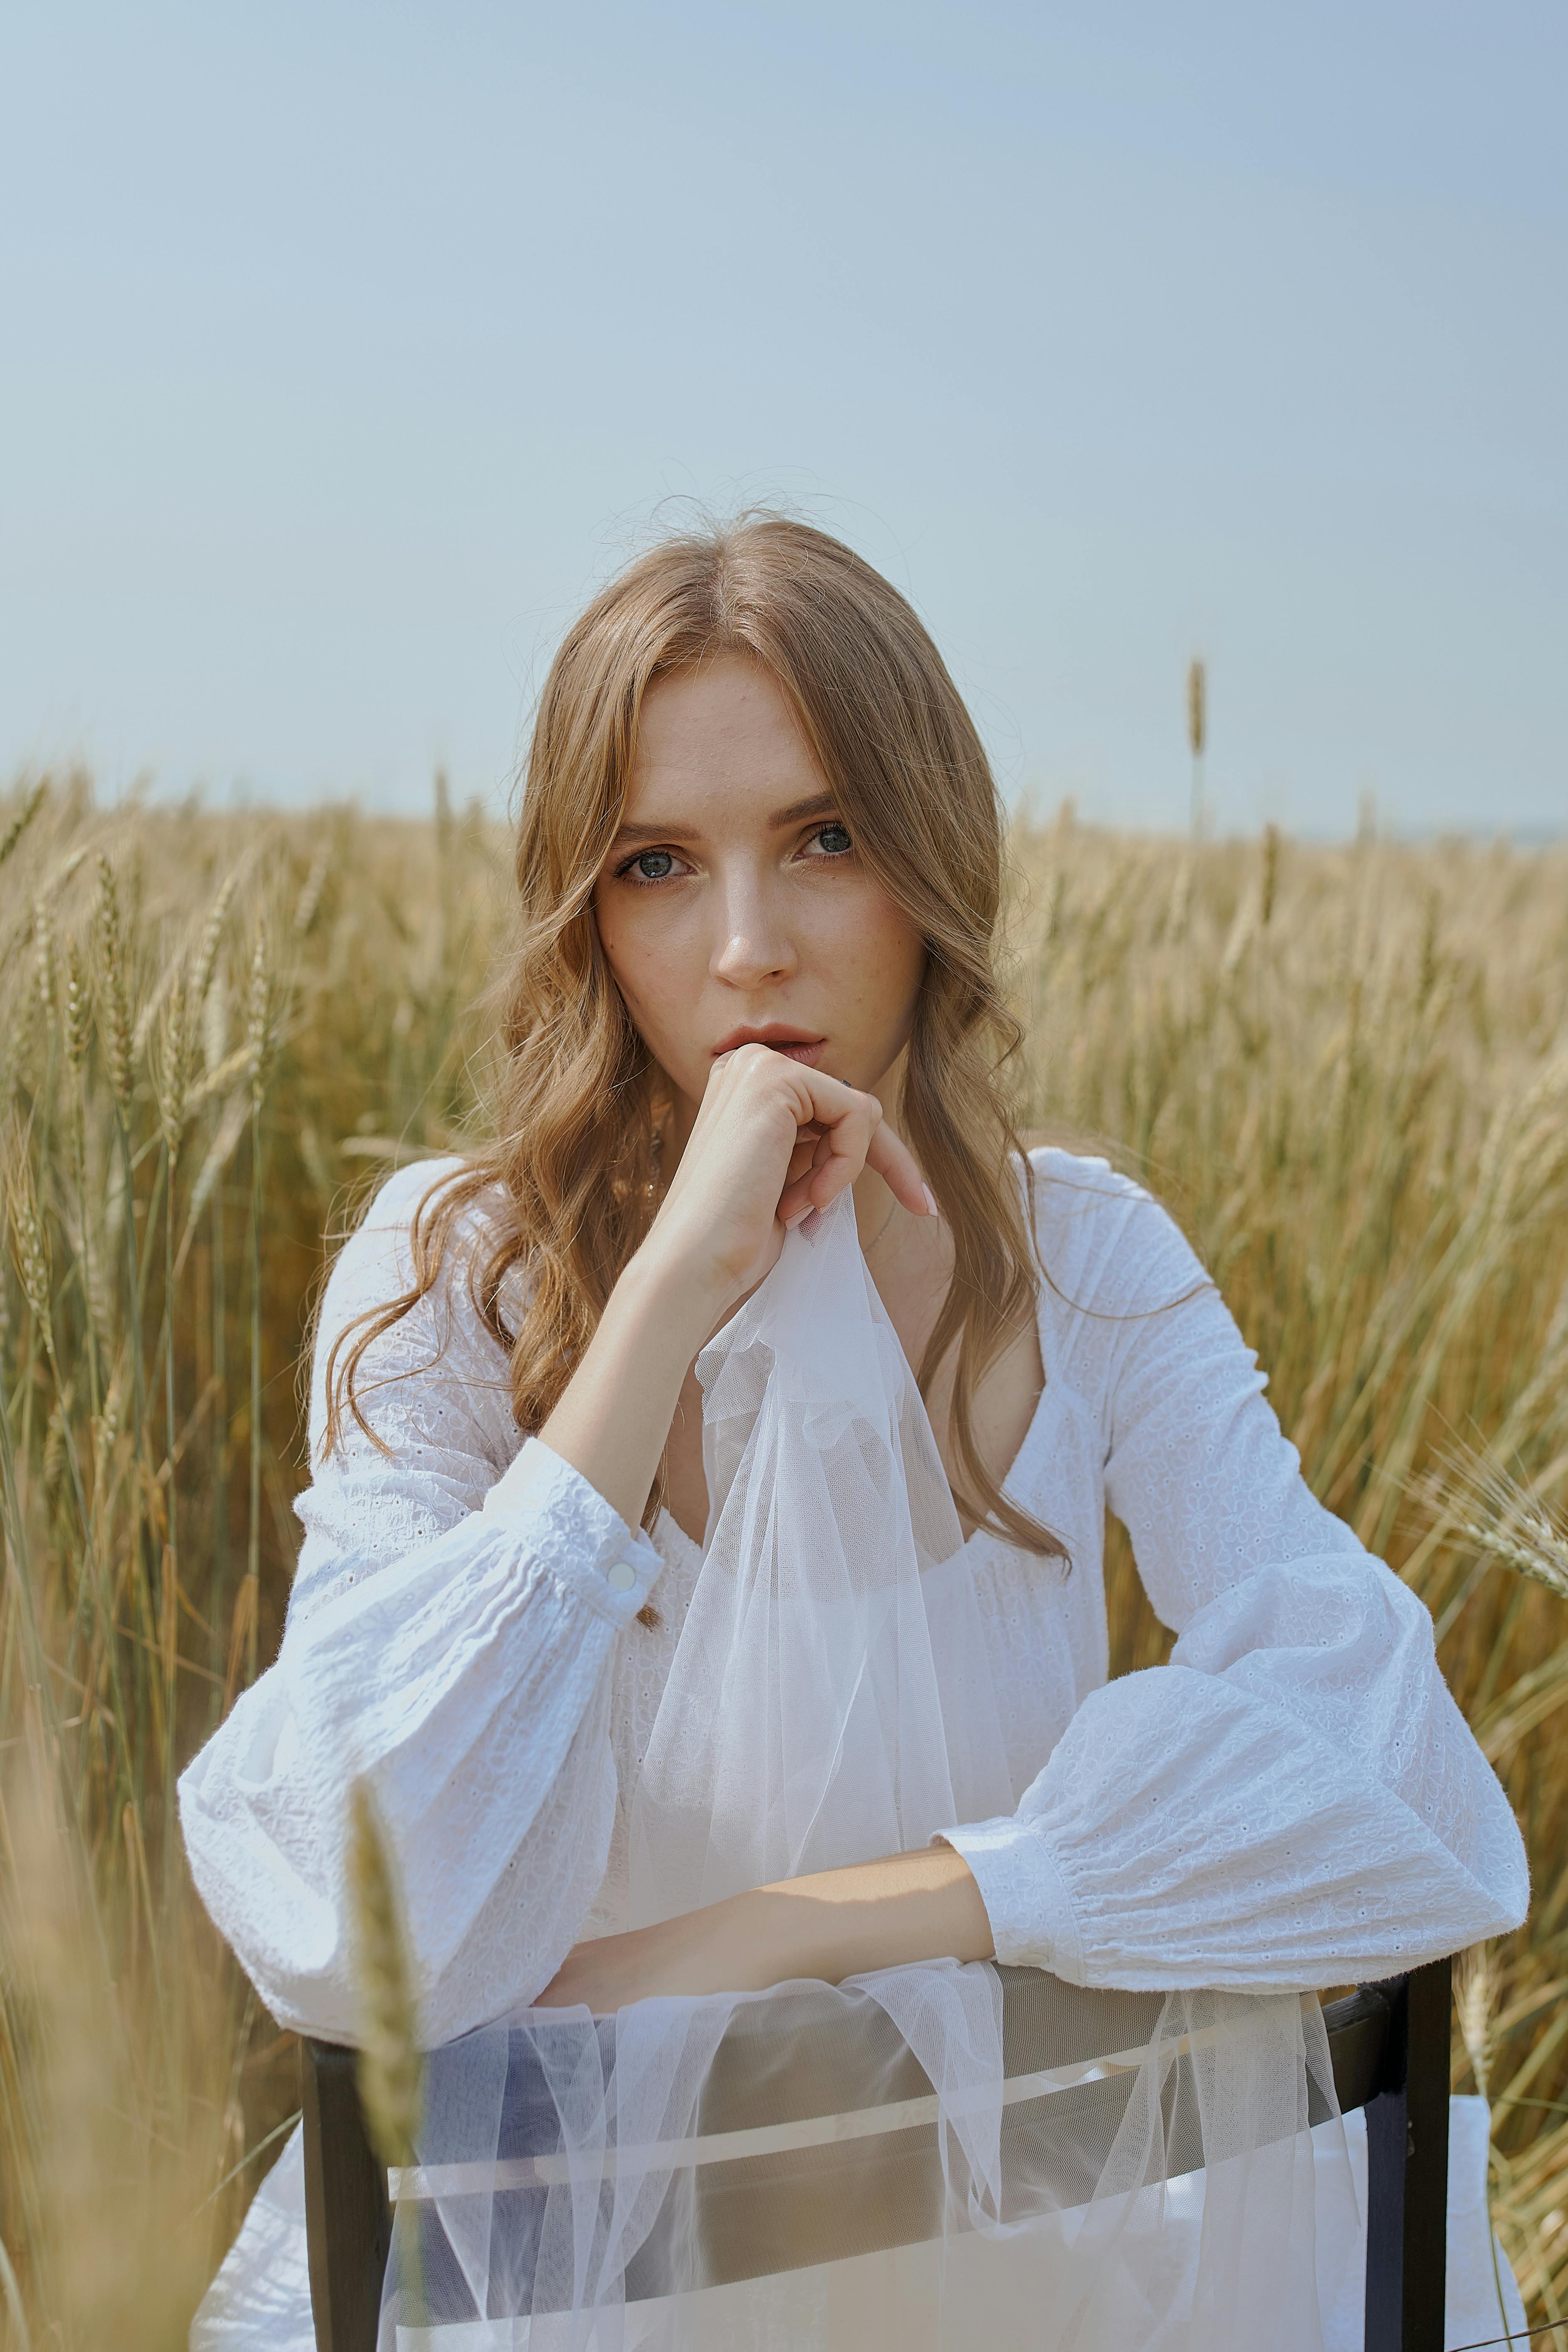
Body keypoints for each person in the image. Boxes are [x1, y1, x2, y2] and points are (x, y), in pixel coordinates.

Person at [181, 514, 1528, 2350]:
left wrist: (813, 1925)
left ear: (930, 857)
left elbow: (1411, 1798)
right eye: (658, 864)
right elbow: (356, 1917)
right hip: (568, 2295)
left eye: (823, 839)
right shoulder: (452, 1276)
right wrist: (660, 1302)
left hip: (1005, 2267)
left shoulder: (1084, 1260)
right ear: (588, 913)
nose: (747, 947)